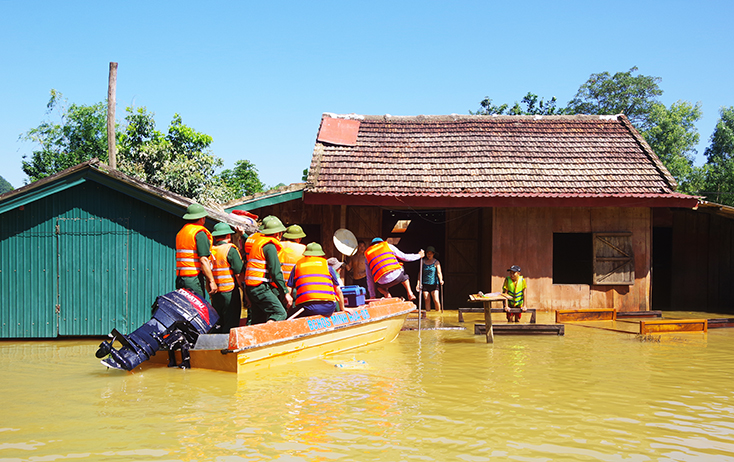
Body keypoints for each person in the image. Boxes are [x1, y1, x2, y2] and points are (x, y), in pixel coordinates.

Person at [243, 217, 289, 324]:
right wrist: (285, 292)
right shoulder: (269, 246)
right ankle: (268, 337)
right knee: (280, 313)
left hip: (252, 288)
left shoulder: (258, 242)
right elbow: (275, 272)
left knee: (259, 318)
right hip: (260, 287)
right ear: (278, 233)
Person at [287, 243, 345, 318]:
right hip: (328, 308)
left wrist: (289, 305)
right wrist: (342, 308)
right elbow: (338, 290)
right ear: (320, 254)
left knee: (289, 315)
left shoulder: (297, 266)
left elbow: (289, 288)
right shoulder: (328, 267)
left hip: (307, 308)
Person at [175, 203, 216, 299]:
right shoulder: (199, 233)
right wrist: (211, 281)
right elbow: (203, 260)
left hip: (181, 278)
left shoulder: (181, 232)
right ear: (202, 218)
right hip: (193, 279)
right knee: (197, 309)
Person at [210, 222, 245, 332]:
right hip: (229, 292)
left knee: (219, 322)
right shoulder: (230, 250)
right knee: (231, 323)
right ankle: (227, 347)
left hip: (216, 294)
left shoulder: (211, 250)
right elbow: (239, 274)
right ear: (229, 236)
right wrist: (245, 292)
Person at [417, 246, 444, 312]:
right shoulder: (423, 262)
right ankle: (428, 315)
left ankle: (438, 315)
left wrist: (441, 280)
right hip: (425, 283)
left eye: (430, 253)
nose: (429, 255)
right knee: (427, 300)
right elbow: (420, 273)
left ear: (433, 254)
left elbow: (439, 272)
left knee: (436, 300)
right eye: (428, 253)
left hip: (434, 283)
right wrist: (418, 283)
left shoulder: (436, 262)